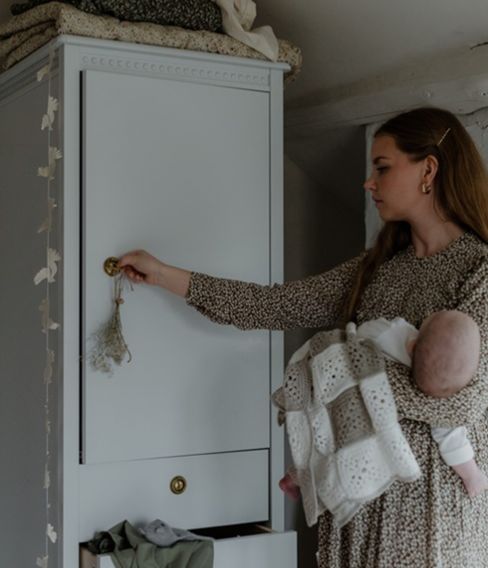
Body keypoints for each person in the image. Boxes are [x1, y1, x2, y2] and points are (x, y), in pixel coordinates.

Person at [118, 107, 488, 567]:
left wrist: (342, 375)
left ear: (428, 170)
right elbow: (272, 305)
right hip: (358, 492)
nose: (368, 182)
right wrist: (164, 275)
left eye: (383, 168)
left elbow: (464, 402)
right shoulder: (376, 269)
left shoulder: (478, 270)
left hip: (430, 501)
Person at [278, 310, 488, 509]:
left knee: (320, 438)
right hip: (361, 428)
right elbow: (453, 440)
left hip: (333, 396)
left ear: (413, 345)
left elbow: (364, 332)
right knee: (345, 460)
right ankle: (298, 480)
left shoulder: (393, 331)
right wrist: (472, 476)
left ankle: (295, 476)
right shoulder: (438, 404)